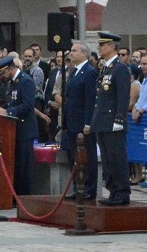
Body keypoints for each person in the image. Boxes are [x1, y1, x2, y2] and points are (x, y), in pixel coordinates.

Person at [90, 32, 131, 206]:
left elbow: (123, 97)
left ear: (111, 46)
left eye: (102, 44)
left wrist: (119, 119)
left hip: (113, 120)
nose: (99, 47)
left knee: (116, 158)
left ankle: (122, 192)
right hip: (102, 121)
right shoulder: (106, 68)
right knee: (107, 160)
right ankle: (113, 190)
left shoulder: (120, 69)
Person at [56, 41, 98, 199]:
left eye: (74, 51)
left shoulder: (89, 71)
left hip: (82, 122)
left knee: (87, 156)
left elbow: (90, 99)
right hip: (71, 122)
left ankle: (89, 188)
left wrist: (88, 122)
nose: (70, 53)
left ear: (84, 54)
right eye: (71, 51)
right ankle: (77, 186)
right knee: (74, 157)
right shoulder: (74, 71)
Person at [0, 54, 37, 194]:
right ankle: (15, 194)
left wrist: (8, 112)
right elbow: (12, 102)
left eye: (3, 73)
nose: (2, 77)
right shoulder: (12, 82)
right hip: (14, 129)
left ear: (10, 69)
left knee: (24, 167)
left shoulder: (25, 81)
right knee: (16, 165)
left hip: (25, 129)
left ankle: (23, 196)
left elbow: (28, 105)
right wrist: (0, 109)